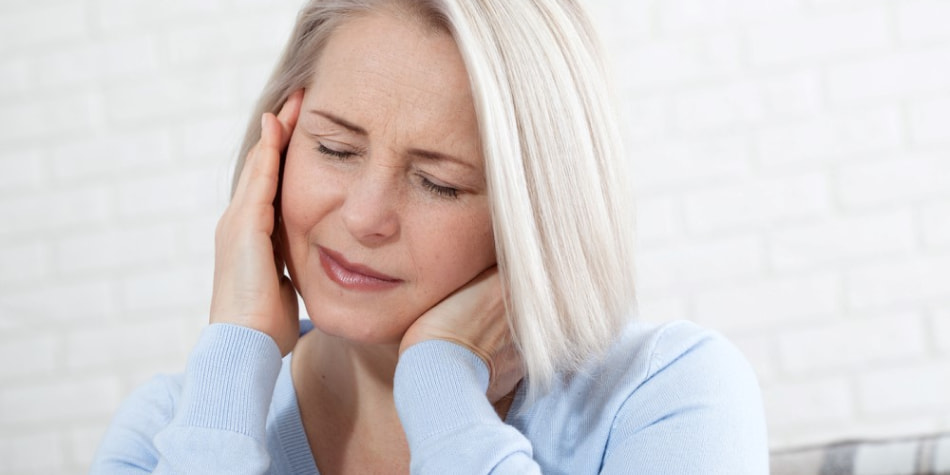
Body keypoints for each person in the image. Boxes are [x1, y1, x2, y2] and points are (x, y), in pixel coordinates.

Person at [91, 0, 769, 473]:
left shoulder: (665, 396)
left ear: (534, 212)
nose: (364, 216)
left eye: (438, 183)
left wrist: (443, 391)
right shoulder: (172, 426)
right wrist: (234, 354)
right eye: (334, 148)